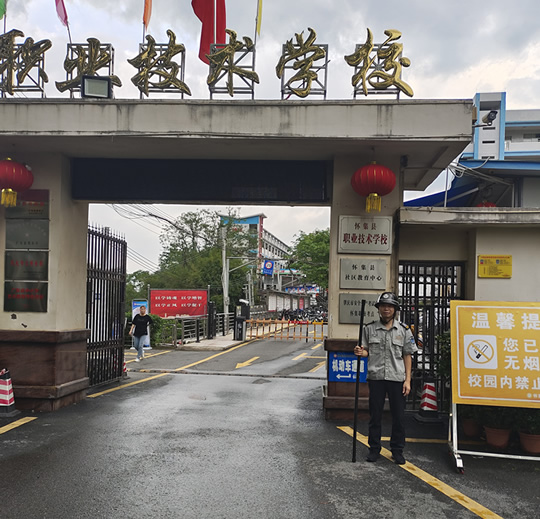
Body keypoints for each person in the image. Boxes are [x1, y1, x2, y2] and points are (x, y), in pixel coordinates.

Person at [354, 291, 417, 465]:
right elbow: (366, 351)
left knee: (398, 417)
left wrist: (408, 380)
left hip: (397, 378)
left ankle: (397, 450)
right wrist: (360, 352)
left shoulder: (404, 330)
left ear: (395, 309)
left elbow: (407, 355)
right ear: (379, 309)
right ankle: (374, 449)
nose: (386, 309)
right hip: (376, 377)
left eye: (390, 306)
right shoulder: (369, 329)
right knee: (375, 415)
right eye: (383, 306)